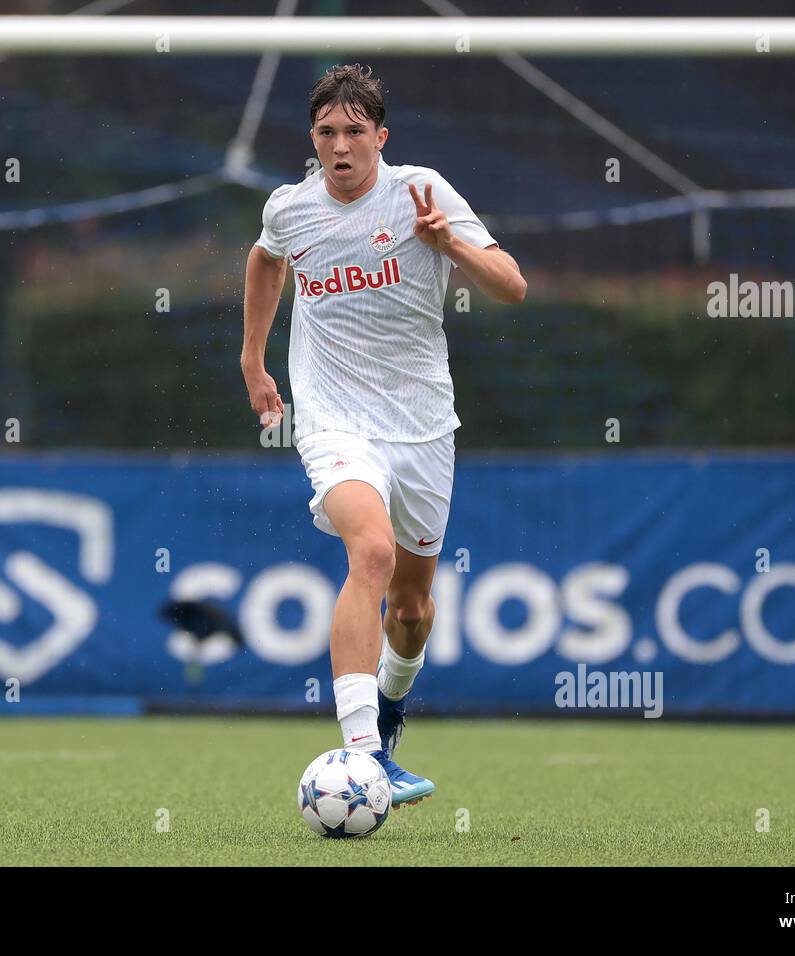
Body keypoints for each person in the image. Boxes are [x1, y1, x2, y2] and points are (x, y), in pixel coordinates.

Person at [241, 63, 526, 806]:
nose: (340, 146)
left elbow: (512, 285)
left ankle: (391, 716)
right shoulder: (291, 208)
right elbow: (265, 259)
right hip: (334, 419)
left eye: (355, 132)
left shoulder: (420, 193)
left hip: (423, 425)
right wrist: (252, 357)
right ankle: (363, 755)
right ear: (313, 137)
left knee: (411, 608)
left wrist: (450, 243)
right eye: (327, 132)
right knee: (368, 550)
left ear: (381, 137)